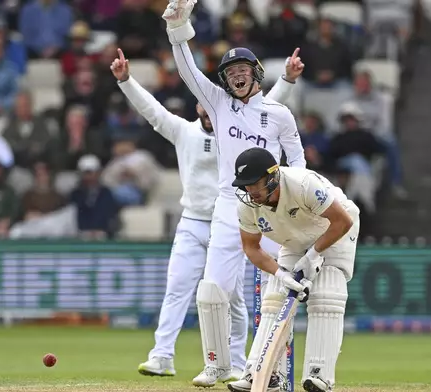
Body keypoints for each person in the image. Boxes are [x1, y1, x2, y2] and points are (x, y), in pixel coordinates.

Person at [108, 48, 303, 378]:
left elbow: (266, 108)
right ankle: (168, 356)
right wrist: (126, 81)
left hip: (252, 210)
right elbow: (153, 111)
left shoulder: (244, 112)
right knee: (196, 291)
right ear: (200, 103)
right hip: (200, 221)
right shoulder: (187, 130)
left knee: (247, 297)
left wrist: (287, 79)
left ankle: (247, 365)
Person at [162, 0, 307, 386]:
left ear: (256, 73)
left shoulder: (278, 113)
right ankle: (219, 365)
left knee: (279, 291)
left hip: (276, 205)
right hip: (231, 204)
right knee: (212, 292)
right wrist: (177, 29)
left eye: (243, 70)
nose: (237, 76)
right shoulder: (218, 103)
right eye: (231, 72)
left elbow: (298, 161)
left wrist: (299, 203)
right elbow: (188, 71)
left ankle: (271, 371)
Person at [227, 147, 359, 392]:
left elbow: (342, 221)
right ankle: (261, 373)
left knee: (326, 296)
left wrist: (315, 254)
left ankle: (319, 375)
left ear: (273, 176)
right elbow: (252, 248)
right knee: (275, 297)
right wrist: (280, 274)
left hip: (335, 229)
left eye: (255, 184)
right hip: (294, 239)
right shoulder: (248, 206)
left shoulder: (302, 184)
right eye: (246, 185)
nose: (251, 192)